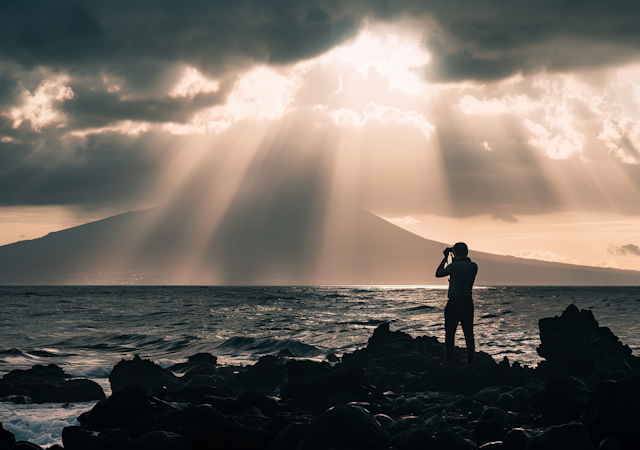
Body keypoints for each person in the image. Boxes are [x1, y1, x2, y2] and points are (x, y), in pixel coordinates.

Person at [435, 242, 478, 366]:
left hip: (454, 302)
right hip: (467, 301)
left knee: (450, 333)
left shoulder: (454, 266)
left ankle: (448, 361)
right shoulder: (473, 266)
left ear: (455, 253)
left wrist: (445, 258)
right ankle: (470, 362)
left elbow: (438, 273)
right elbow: (461, 268)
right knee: (469, 333)